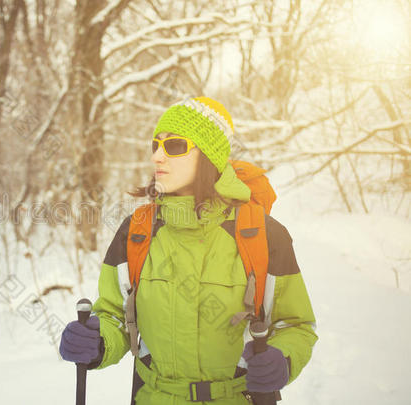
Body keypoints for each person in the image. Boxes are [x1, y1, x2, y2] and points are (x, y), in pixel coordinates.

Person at [59, 96, 318, 404]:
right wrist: (97, 340)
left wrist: (283, 360)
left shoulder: (263, 234)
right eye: (156, 144)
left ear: (209, 155)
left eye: (175, 145)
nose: (157, 156)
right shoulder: (136, 232)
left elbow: (296, 325)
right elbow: (115, 315)